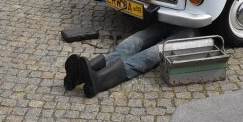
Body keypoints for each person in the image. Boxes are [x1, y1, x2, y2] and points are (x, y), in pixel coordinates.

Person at [63, 23, 198, 98]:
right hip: (170, 17)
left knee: (155, 51)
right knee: (135, 41)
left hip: (195, 27)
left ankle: (98, 81)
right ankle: (85, 71)